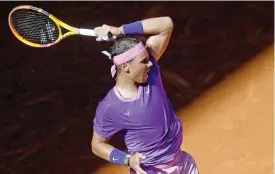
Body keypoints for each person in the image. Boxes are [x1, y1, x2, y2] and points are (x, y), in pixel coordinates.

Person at [91, 17, 199, 174]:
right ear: (125, 67)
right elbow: (97, 145)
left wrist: (120, 30)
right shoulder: (111, 107)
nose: (150, 64)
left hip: (183, 164)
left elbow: (166, 24)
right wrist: (126, 159)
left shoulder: (150, 72)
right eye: (144, 61)